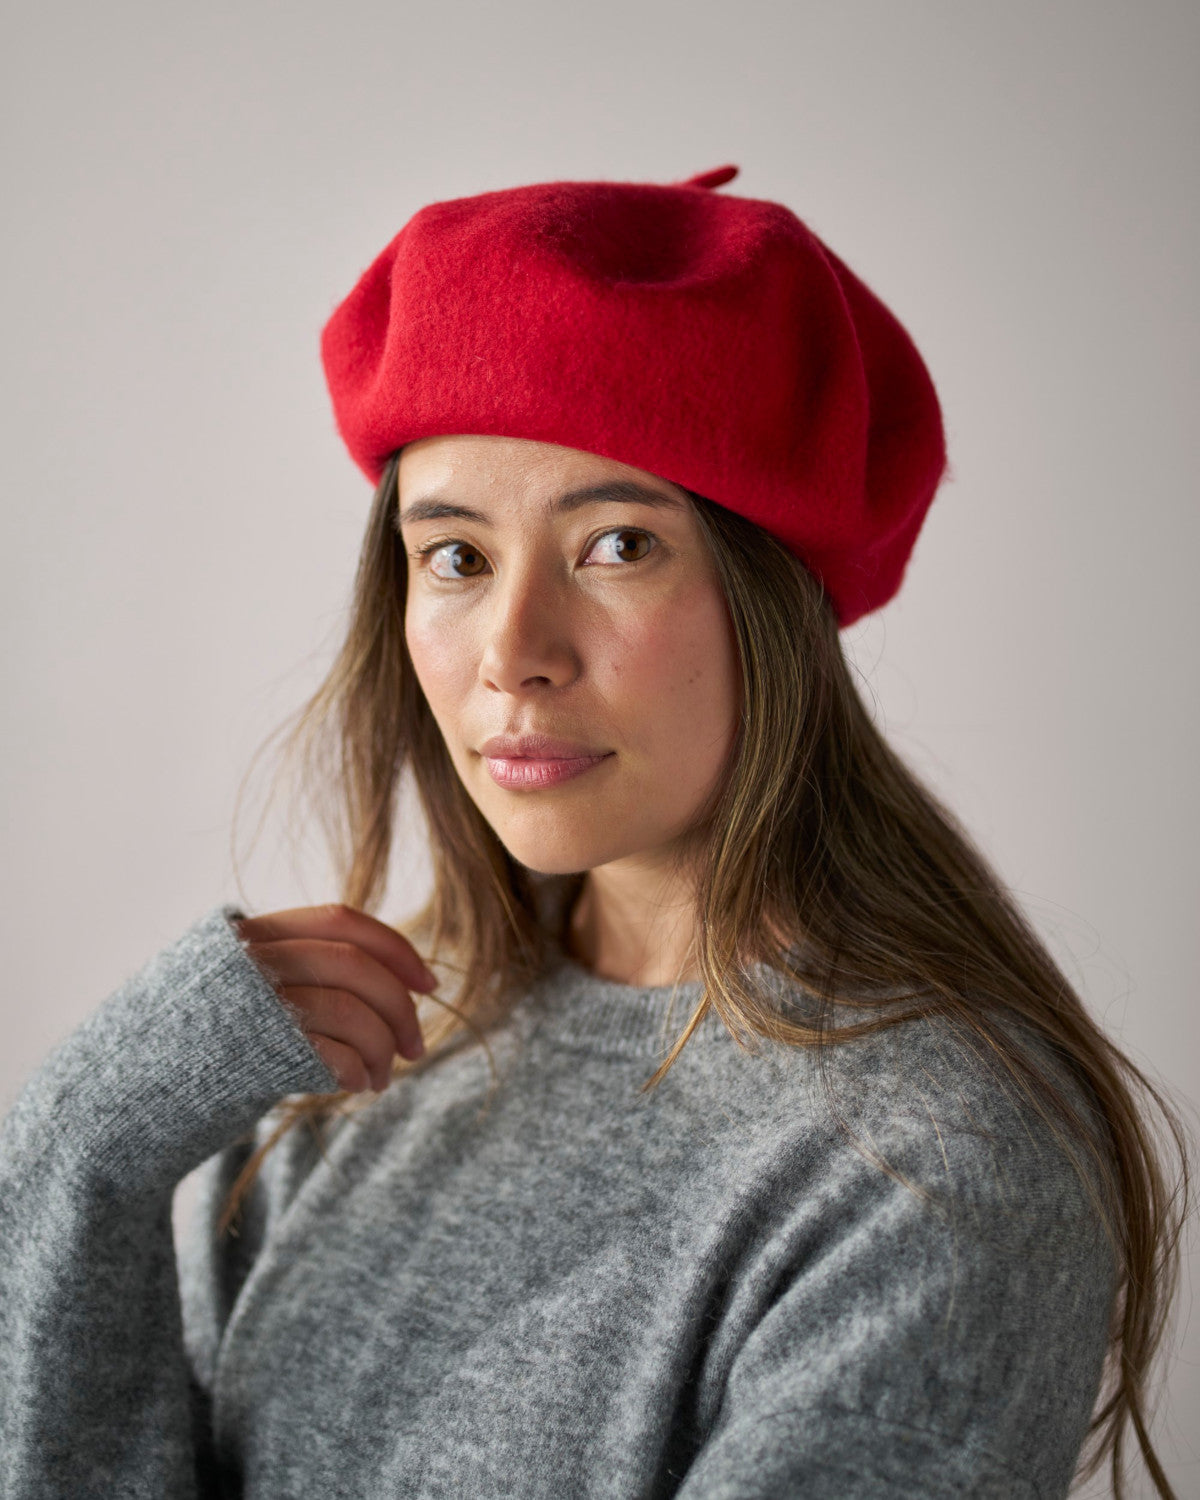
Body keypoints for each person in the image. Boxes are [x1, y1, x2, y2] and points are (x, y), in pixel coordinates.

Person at [0, 165, 1189, 1500]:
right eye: (454, 557)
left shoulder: (929, 1160)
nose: (513, 654)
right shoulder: (365, 1057)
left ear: (769, 603)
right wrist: (82, 1152)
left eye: (618, 545)